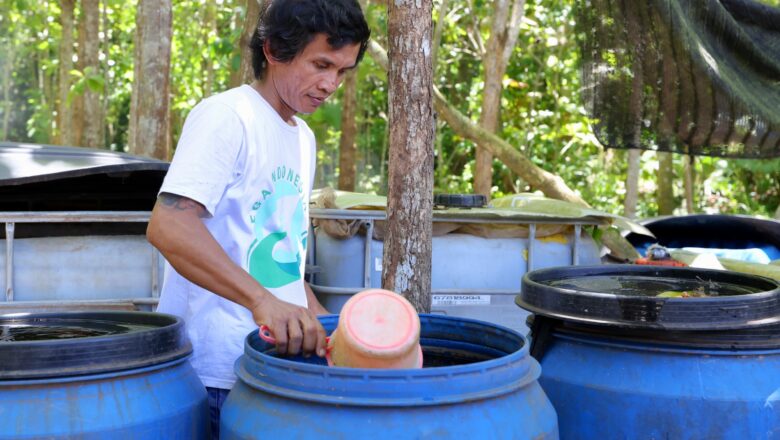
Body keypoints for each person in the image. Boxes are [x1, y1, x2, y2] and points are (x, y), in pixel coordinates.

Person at [146, 0, 370, 436]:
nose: (330, 84)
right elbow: (169, 225)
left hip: (273, 368)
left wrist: (324, 321)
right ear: (273, 49)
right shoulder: (228, 116)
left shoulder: (301, 137)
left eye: (342, 72)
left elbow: (277, 251)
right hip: (217, 372)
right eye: (321, 64)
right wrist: (262, 302)